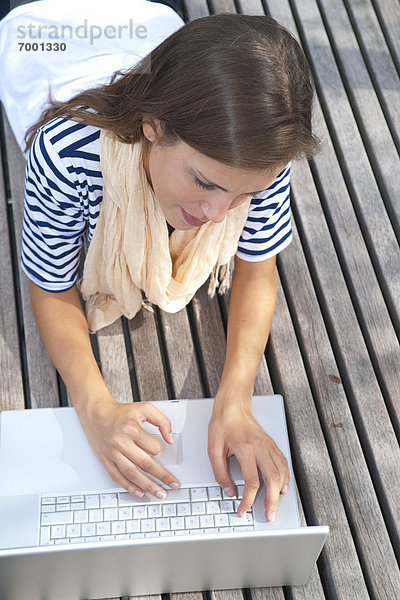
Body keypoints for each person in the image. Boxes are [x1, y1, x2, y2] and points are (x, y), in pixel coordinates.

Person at [0, 0, 319, 523]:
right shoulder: (64, 152)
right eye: (204, 183)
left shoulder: (256, 158)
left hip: (148, 20)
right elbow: (51, 285)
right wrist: (96, 407)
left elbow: (258, 266)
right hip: (42, 28)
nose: (218, 214)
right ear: (151, 126)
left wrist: (237, 398)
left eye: (241, 197)